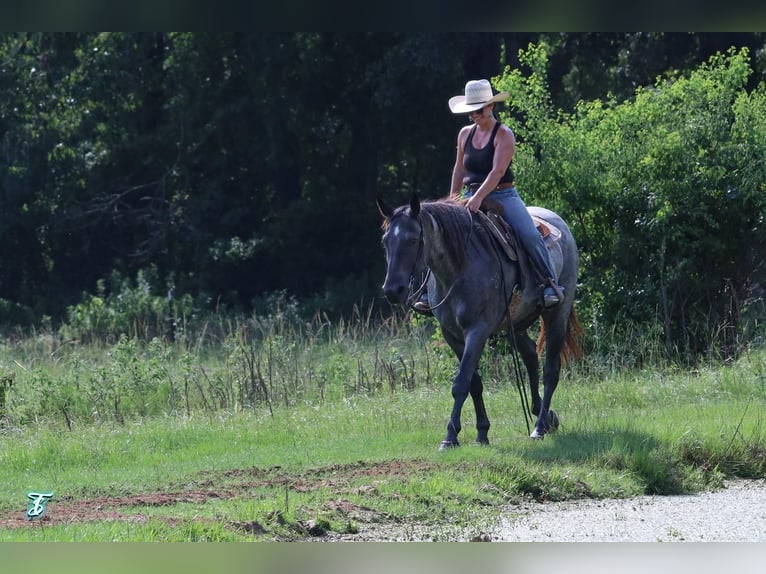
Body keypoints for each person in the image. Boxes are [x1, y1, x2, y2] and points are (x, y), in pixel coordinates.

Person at [413, 79, 563, 315]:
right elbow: (459, 169)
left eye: (479, 109)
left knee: (529, 234)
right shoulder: (464, 134)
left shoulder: (504, 135)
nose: (474, 115)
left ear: (491, 107)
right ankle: (426, 292)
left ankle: (549, 283)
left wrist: (478, 198)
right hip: (470, 193)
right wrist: (452, 199)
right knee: (436, 231)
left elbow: (497, 172)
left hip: (502, 195)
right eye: (471, 110)